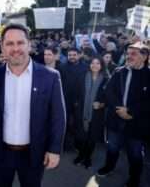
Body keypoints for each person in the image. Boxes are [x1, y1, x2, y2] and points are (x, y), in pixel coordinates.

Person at [0, 24, 66, 187]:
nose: (15, 48)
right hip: (1, 153)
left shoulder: (50, 77)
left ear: (29, 45)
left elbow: (58, 116)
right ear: (2, 47)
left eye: (20, 42)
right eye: (9, 43)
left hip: (34, 154)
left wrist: (54, 149)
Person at [97, 42, 150, 187]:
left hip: (137, 124)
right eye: (128, 53)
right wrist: (118, 109)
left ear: (144, 56)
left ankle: (134, 180)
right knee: (112, 147)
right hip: (116, 120)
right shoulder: (119, 71)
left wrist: (131, 112)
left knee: (135, 154)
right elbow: (109, 91)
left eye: (134, 54)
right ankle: (109, 167)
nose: (129, 56)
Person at [73, 57, 108, 168]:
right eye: (92, 63)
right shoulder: (82, 77)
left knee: (92, 138)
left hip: (97, 114)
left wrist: (101, 104)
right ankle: (81, 155)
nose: (95, 65)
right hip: (81, 112)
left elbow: (109, 98)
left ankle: (88, 157)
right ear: (89, 65)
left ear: (101, 65)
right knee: (81, 137)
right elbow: (76, 93)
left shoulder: (106, 79)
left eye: (98, 63)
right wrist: (77, 104)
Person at [59, 47, 88, 151]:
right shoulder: (62, 67)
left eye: (74, 55)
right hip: (65, 99)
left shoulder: (85, 67)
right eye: (70, 55)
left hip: (80, 100)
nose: (72, 57)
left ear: (79, 55)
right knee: (65, 123)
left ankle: (78, 145)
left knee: (78, 123)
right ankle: (66, 145)